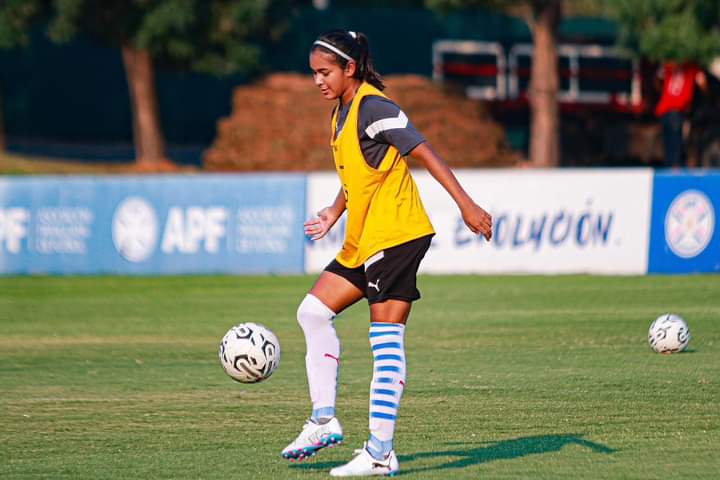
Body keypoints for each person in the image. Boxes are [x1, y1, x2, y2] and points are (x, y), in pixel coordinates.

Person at [280, 29, 492, 477]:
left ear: (349, 68)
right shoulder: (341, 113)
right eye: (313, 73)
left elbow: (423, 150)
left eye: (325, 72)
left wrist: (466, 204)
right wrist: (335, 211)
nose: (317, 81)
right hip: (364, 237)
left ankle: (379, 453)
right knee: (312, 313)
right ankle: (322, 420)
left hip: (395, 234)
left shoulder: (374, 106)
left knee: (385, 339)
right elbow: (361, 172)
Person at [655, 61, 707, 168]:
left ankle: (670, 167)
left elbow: (657, 79)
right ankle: (675, 169)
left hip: (664, 109)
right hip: (677, 111)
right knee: (677, 142)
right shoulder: (693, 68)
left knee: (668, 144)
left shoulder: (669, 66)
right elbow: (703, 84)